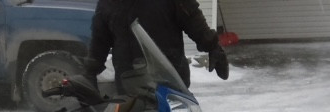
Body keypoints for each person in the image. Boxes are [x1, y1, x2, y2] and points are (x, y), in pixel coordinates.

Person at [84, 0, 229, 94]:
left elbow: (193, 19)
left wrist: (213, 46)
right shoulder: (109, 2)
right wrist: (91, 71)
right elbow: (100, 38)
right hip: (129, 85)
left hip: (170, 82)